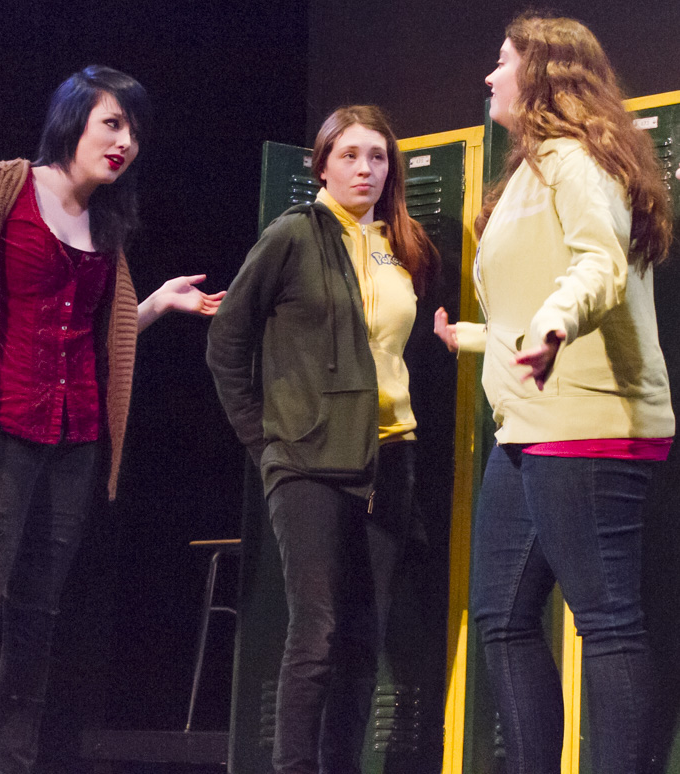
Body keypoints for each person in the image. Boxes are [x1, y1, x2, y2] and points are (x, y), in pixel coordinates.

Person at [0, 65, 224, 774]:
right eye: (112, 123)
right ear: (74, 120)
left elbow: (97, 341)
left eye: (135, 132)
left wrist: (155, 304)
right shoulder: (1, 184)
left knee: (36, 623)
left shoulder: (108, 222)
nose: (125, 142)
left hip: (74, 440)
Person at [434, 14, 674, 774]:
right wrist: (477, 338)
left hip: (589, 418)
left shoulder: (577, 162)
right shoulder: (528, 177)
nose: (488, 77)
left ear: (540, 72)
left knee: (605, 623)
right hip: (528, 424)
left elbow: (596, 268)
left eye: (500, 61)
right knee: (500, 619)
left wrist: (550, 326)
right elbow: (526, 302)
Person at [207, 105, 438, 774]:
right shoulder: (292, 236)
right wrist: (267, 443)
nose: (364, 168)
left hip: (390, 455)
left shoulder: (404, 246)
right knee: (318, 633)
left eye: (376, 156)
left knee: (364, 641)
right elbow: (227, 344)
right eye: (349, 155)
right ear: (322, 164)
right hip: (308, 460)